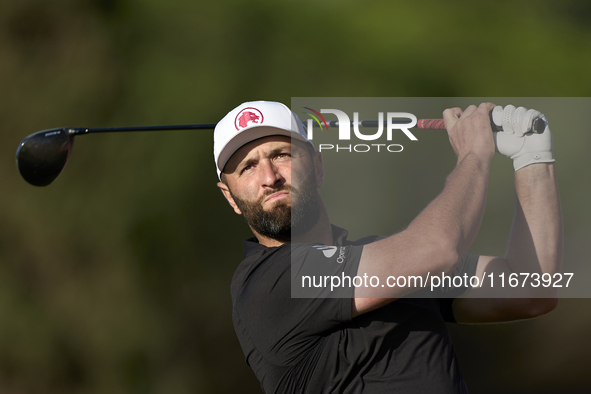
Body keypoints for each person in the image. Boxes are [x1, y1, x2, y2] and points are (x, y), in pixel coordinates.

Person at [213, 101, 562, 393]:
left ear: (318, 167)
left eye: (282, 154)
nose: (270, 176)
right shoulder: (267, 284)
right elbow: (436, 249)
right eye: (248, 167)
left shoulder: (387, 260)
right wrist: (474, 153)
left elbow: (531, 289)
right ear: (230, 196)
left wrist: (533, 158)